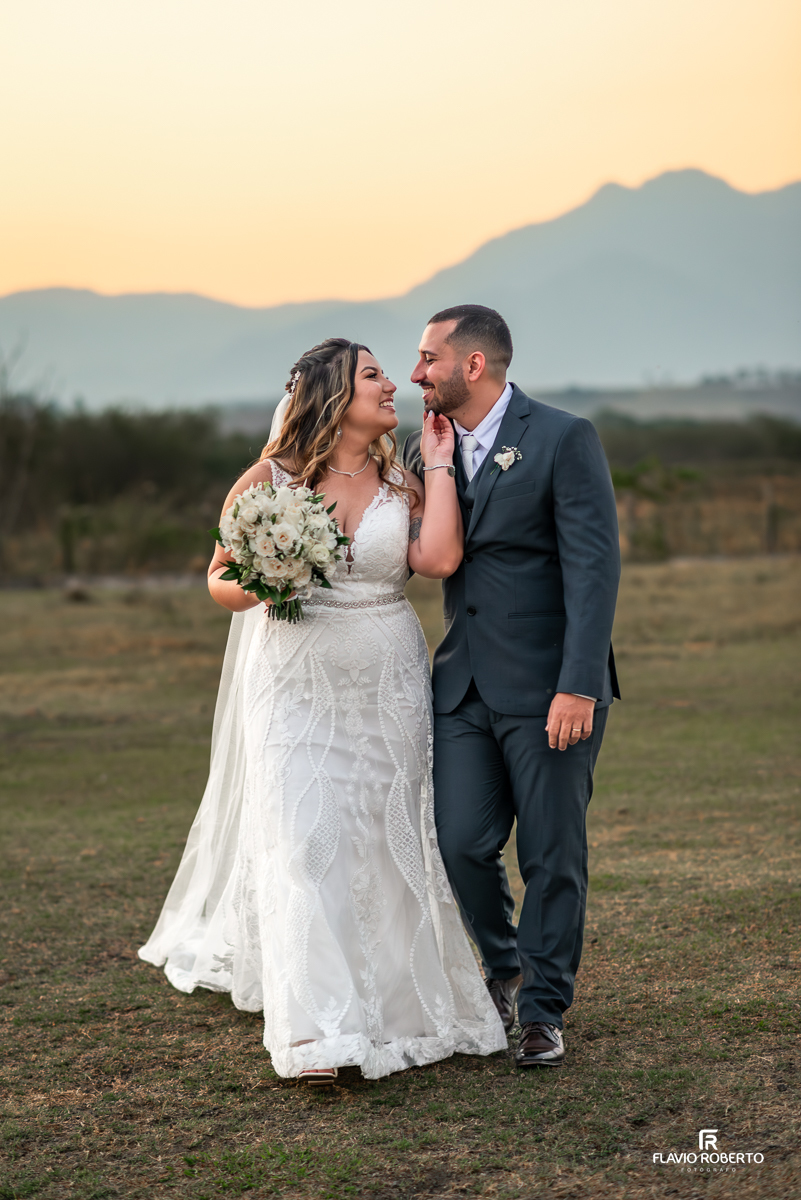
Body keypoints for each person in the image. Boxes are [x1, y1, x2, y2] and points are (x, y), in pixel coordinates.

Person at [139, 337, 505, 1083]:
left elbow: (436, 562)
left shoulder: (403, 481)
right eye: (374, 375)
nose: (392, 386)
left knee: (382, 836)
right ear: (335, 393)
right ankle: (317, 1033)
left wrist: (437, 463)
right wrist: (268, 576)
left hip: (386, 680)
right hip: (295, 683)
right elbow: (218, 580)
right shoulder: (268, 479)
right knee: (306, 841)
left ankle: (399, 1007)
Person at [403, 305, 620, 1069]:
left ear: (472, 365)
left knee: (552, 854)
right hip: (460, 686)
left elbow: (595, 570)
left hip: (548, 688)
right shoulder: (422, 445)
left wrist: (579, 685)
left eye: (427, 358)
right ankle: (502, 968)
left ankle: (542, 1010)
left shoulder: (563, 437)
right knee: (459, 842)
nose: (414, 373)